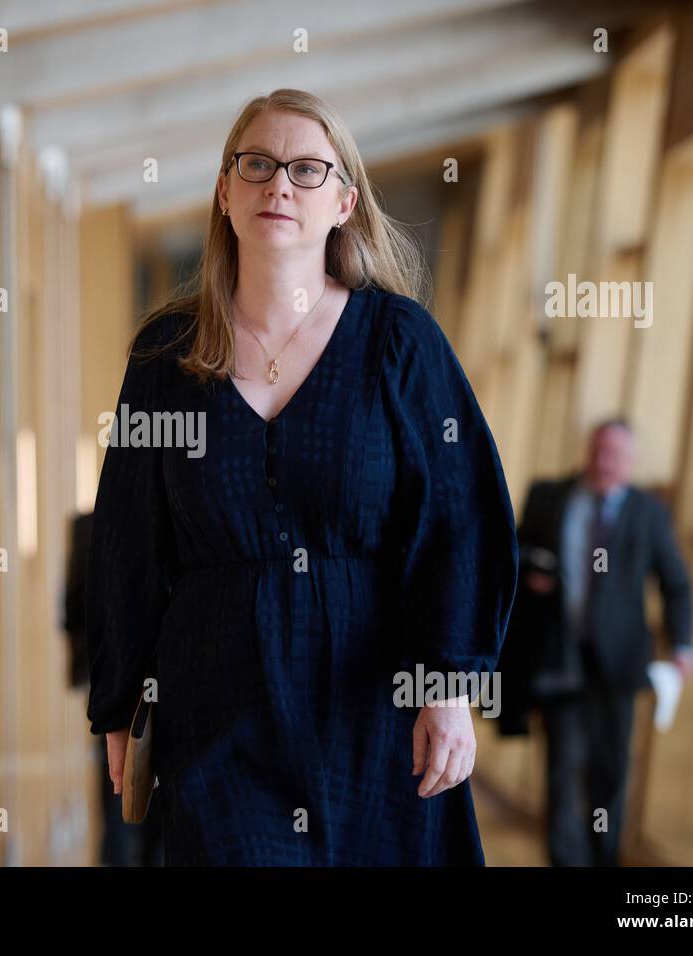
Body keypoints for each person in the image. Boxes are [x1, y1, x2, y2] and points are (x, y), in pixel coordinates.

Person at [82, 89, 519, 866]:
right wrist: (121, 701)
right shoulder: (166, 356)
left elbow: (460, 517)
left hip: (375, 713)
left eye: (306, 170)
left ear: (344, 201)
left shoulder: (399, 343)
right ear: (224, 190)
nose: (278, 185)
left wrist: (449, 682)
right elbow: (126, 539)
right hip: (217, 710)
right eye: (256, 165)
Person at [511, 418, 693, 866]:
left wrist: (683, 646)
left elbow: (676, 584)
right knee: (561, 771)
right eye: (600, 451)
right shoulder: (550, 498)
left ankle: (602, 859)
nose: (605, 461)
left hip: (618, 667)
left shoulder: (648, 514)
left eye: (616, 454)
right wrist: (531, 570)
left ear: (631, 463)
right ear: (588, 450)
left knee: (609, 776)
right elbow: (511, 549)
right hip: (560, 659)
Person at [62, 510, 163, 865]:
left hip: (113, 683)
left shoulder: (89, 529)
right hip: (156, 680)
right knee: (155, 808)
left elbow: (72, 608)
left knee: (118, 791)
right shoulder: (175, 522)